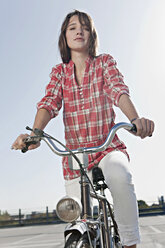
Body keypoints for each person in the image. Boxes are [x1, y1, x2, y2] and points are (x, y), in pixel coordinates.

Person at [12, 10, 154, 248]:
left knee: (121, 176)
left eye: (85, 27)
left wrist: (135, 119)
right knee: (75, 212)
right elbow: (49, 102)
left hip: (107, 147)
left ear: (92, 35)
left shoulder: (104, 63)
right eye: (73, 27)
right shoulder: (59, 73)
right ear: (64, 37)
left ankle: (130, 243)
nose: (79, 31)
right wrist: (35, 135)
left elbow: (118, 90)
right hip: (75, 157)